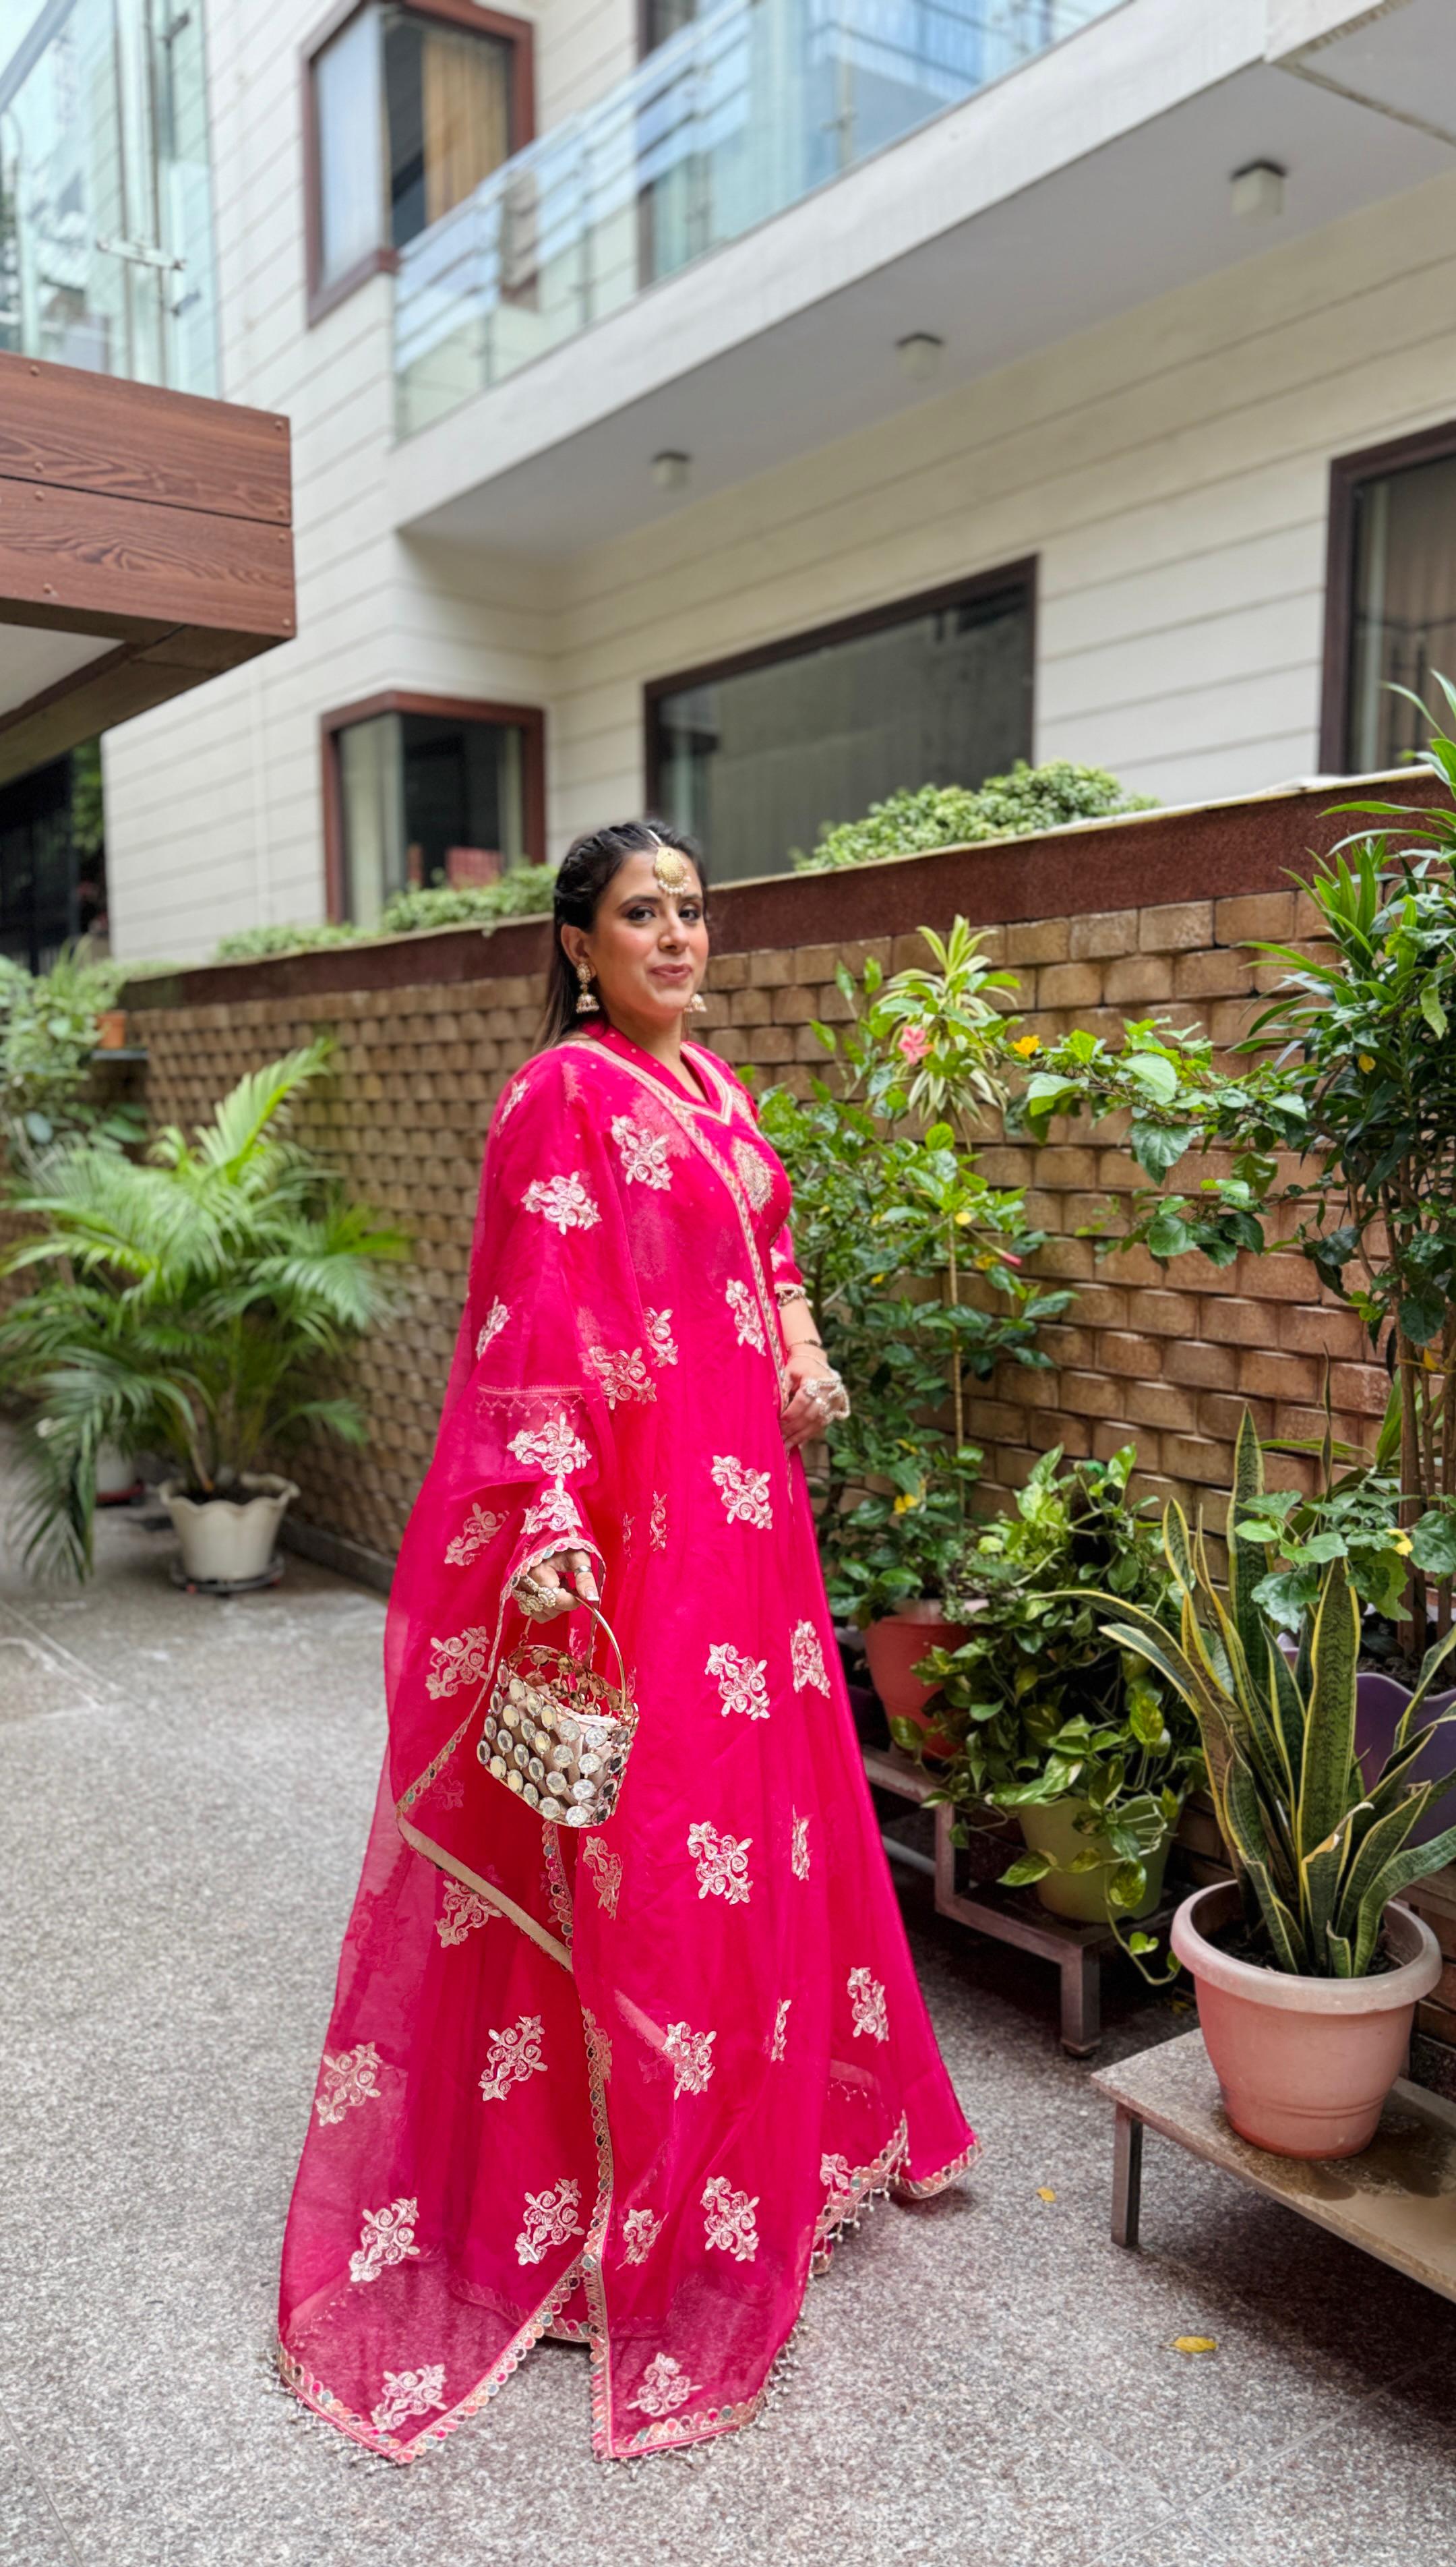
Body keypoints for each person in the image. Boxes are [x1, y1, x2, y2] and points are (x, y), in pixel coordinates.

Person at [277, 821, 977, 2462]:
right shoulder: (563, 1097)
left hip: (744, 1527)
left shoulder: (717, 1089)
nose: (678, 936)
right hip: (635, 1525)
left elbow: (774, 1248)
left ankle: (773, 2147)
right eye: (641, 915)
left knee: (766, 1817)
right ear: (576, 946)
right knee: (652, 1834)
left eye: (691, 910)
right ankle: (614, 2193)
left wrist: (801, 1354)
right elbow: (531, 1318)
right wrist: (552, 1523)